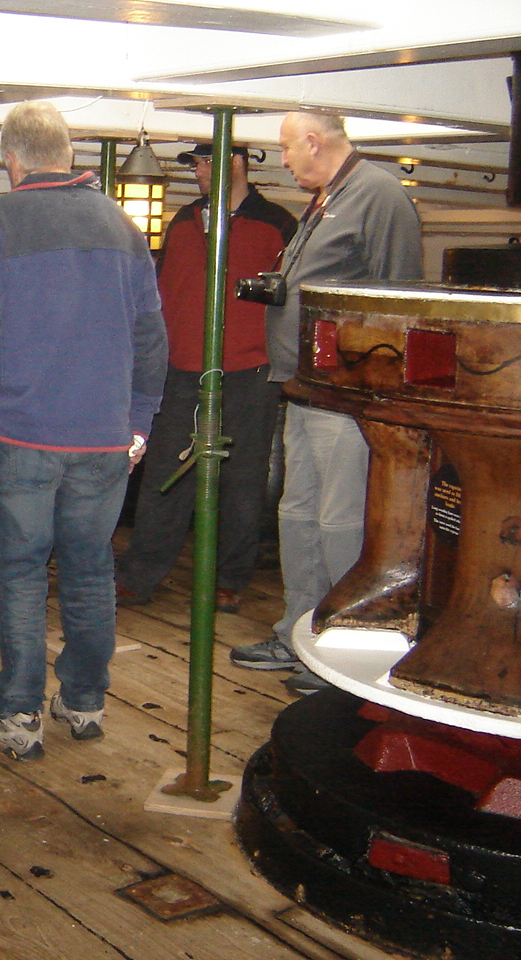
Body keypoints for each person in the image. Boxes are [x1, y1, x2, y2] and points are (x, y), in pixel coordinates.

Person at [0, 102, 167, 760]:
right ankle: (82, 700)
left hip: (24, 431)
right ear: (68, 154)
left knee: (20, 573)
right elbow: (152, 338)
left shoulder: (3, 218)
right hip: (105, 438)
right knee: (89, 571)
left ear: (11, 160)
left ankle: (19, 715)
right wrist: (139, 420)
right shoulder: (124, 225)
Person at [227, 112, 422, 694]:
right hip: (304, 386)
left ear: (315, 141)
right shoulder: (328, 197)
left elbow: (399, 296)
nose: (283, 160)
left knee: (339, 522)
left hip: (347, 396)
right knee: (296, 514)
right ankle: (297, 633)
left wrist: (374, 391)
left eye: (287, 148)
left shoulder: (379, 195)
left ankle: (341, 648)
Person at [116, 145, 296, 614]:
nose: (196, 172)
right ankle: (141, 573)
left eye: (202, 162)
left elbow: (292, 303)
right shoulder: (183, 221)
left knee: (241, 480)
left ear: (232, 161)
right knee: (166, 474)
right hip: (181, 369)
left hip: (250, 371)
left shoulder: (277, 225)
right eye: (196, 164)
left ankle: (229, 578)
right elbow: (163, 289)